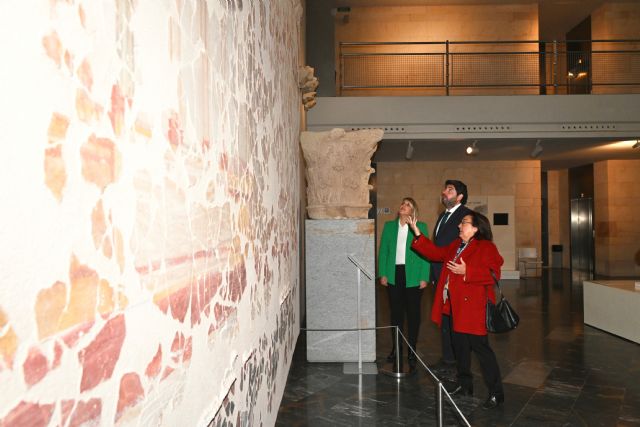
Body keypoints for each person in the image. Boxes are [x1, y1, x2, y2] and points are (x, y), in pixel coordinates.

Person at [409, 210, 505, 410]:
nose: (459, 226)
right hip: (454, 307)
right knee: (460, 350)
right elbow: (436, 253)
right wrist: (417, 234)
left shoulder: (486, 247)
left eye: (464, 223)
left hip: (474, 310)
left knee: (482, 351)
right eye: (461, 223)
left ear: (476, 228)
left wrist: (467, 271)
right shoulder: (455, 245)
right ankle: (465, 385)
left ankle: (496, 393)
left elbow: (494, 273)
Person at [378, 197, 430, 365]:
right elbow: (384, 252)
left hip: (414, 276)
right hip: (394, 273)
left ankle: (412, 350)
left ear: (413, 211)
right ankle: (396, 348)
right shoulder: (389, 227)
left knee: (413, 315)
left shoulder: (421, 227)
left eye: (408, 204)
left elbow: (426, 254)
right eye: (403, 203)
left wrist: (424, 276)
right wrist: (383, 273)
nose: (403, 206)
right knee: (396, 314)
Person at [431, 180, 471, 373]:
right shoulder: (442, 216)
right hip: (441, 276)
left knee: (457, 319)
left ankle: (460, 362)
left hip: (455, 276)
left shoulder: (467, 216)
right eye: (445, 188)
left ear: (460, 196)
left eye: (449, 190)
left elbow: (470, 247)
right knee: (445, 318)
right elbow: (437, 246)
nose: (444, 192)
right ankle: (448, 358)